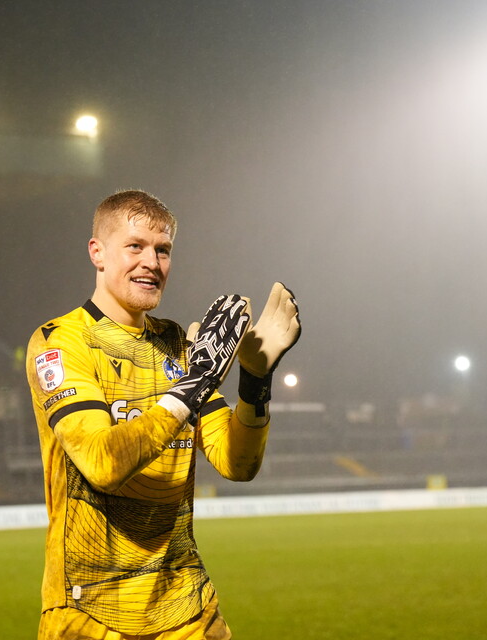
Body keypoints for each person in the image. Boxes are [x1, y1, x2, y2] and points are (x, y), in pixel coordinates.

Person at [26, 190, 301, 639]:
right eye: (134, 246)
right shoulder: (60, 342)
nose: (151, 262)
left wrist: (253, 380)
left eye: (163, 250)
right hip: (89, 607)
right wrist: (190, 387)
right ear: (97, 253)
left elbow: (237, 462)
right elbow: (102, 463)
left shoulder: (179, 345)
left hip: (186, 605)